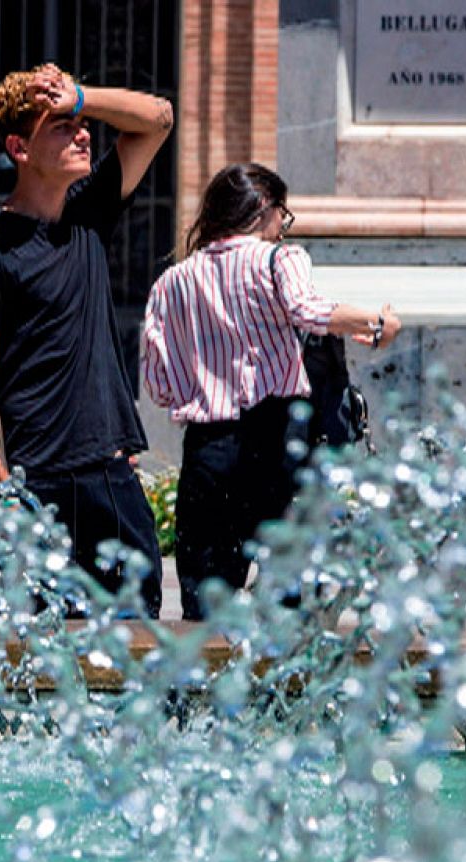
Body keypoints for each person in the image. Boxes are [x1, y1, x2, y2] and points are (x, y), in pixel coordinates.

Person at [0, 63, 173, 617]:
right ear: (19, 148)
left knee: (138, 663)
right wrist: (5, 500)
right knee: (39, 677)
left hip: (112, 480)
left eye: (81, 122)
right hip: (36, 487)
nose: (83, 132)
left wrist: (81, 96)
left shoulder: (89, 216)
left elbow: (158, 119)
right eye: (63, 126)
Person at [140, 163, 402, 619]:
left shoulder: (170, 284)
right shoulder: (279, 259)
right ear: (264, 206)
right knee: (289, 606)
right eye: (283, 214)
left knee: (205, 613)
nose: (283, 227)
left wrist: (209, 375)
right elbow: (307, 310)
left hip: (206, 452)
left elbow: (161, 385)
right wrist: (377, 324)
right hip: (277, 444)